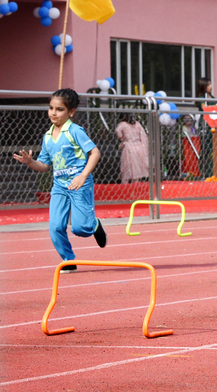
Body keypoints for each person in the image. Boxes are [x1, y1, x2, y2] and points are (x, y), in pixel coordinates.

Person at [13, 88, 107, 269]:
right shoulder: (47, 137)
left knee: (80, 229)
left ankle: (93, 225)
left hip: (79, 184)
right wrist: (30, 161)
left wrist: (82, 176)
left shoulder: (75, 131)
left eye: (59, 109)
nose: (53, 113)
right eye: (51, 108)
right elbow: (44, 166)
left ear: (71, 112)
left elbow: (95, 152)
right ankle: (69, 260)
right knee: (56, 227)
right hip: (59, 187)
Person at [114, 112, 149, 183]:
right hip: (139, 147)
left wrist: (121, 137)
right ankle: (135, 186)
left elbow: (117, 130)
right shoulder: (137, 124)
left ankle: (125, 186)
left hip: (129, 146)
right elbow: (143, 135)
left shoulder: (123, 124)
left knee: (127, 167)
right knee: (136, 168)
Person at [195, 77, 216, 180]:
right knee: (206, 147)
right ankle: (205, 171)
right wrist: (216, 106)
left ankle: (213, 171)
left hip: (214, 124)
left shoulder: (211, 96)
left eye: (210, 84)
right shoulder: (201, 97)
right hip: (205, 124)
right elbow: (205, 108)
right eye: (208, 84)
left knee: (214, 147)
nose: (210, 86)